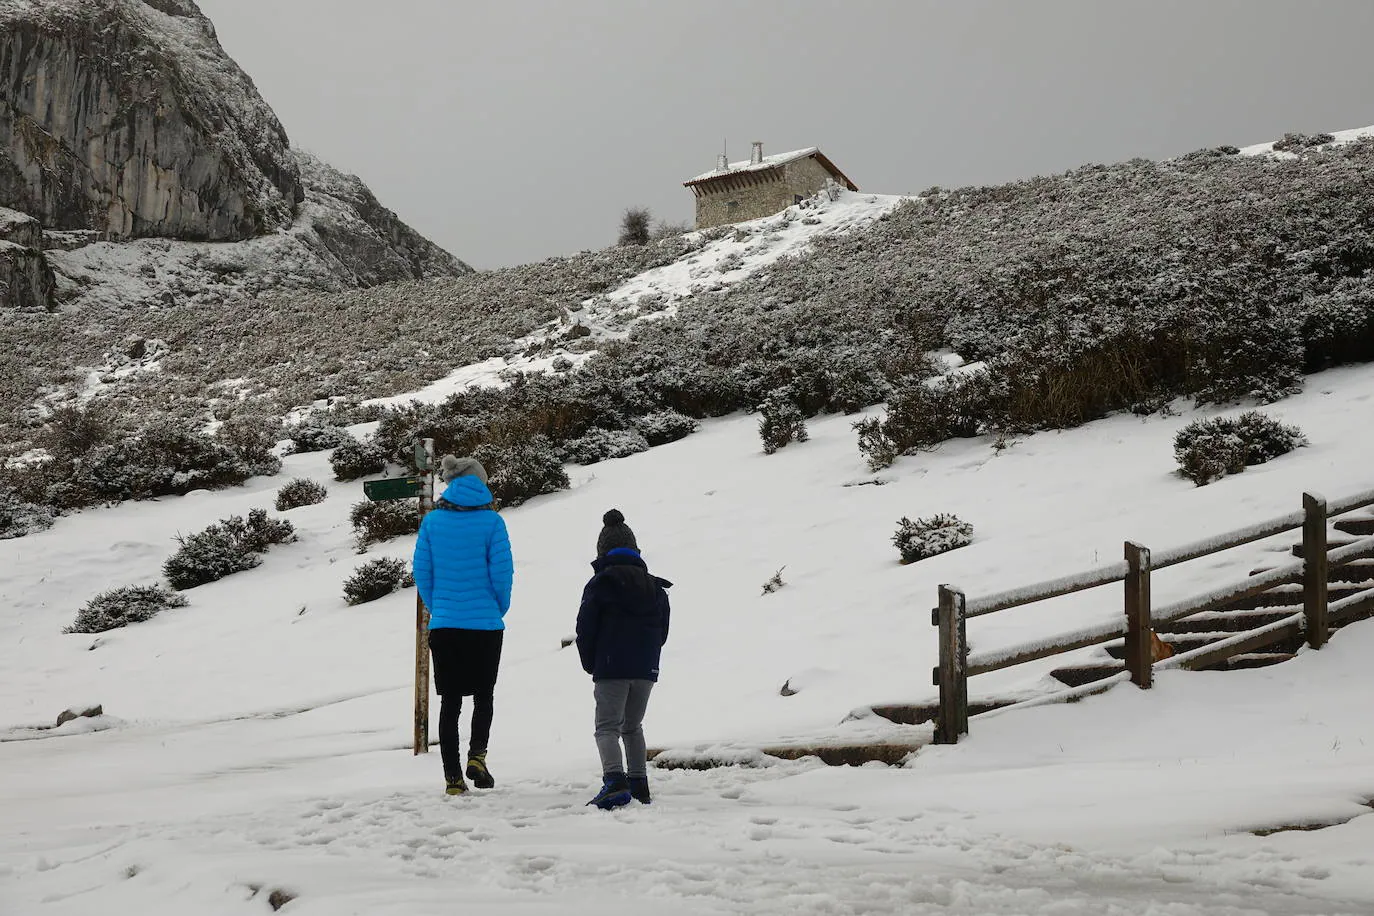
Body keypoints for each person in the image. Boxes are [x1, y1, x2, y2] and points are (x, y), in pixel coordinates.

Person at [412, 455, 512, 796]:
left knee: (450, 701)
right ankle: (478, 757)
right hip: (485, 625)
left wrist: (439, 607)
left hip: (445, 625)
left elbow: (422, 574)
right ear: (479, 483)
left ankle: (453, 777)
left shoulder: (432, 522)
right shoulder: (493, 523)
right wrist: (498, 608)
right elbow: (502, 575)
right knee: (484, 695)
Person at [576, 509, 672, 809]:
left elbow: (585, 628)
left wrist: (592, 662)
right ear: (635, 549)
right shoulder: (655, 586)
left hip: (611, 666)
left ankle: (615, 782)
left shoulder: (600, 583)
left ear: (602, 551)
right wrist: (648, 658)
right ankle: (639, 782)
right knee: (633, 727)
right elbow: (663, 631)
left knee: (607, 727)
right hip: (645, 668)